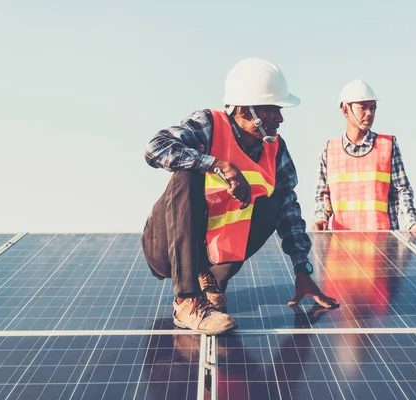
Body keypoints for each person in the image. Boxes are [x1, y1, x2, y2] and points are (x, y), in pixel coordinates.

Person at [142, 58, 338, 335]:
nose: (280, 119)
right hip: (165, 249)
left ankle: (209, 282)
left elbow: (290, 210)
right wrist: (218, 164)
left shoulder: (275, 149)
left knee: (274, 204)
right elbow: (155, 148)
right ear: (246, 110)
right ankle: (187, 300)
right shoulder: (209, 124)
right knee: (186, 173)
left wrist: (302, 269)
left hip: (213, 259)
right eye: (273, 110)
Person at [312, 80, 416, 232]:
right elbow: (323, 195)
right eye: (363, 107)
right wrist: (320, 218)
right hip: (342, 248)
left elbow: (402, 190)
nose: (369, 113)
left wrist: (411, 223)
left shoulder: (387, 145)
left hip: (383, 246)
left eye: (373, 108)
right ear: (345, 110)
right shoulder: (329, 150)